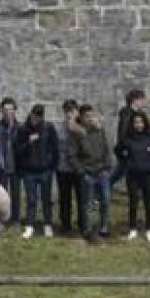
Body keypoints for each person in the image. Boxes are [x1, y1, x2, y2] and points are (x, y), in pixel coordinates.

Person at [68, 103, 114, 242]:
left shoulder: (100, 130)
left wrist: (107, 167)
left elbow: (107, 149)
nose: (90, 118)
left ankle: (104, 227)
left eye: (92, 116)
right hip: (87, 173)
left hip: (102, 172)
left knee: (105, 200)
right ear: (81, 118)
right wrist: (81, 172)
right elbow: (72, 155)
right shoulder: (76, 134)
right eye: (87, 116)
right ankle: (87, 230)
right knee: (87, 204)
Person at [120, 110, 150, 241]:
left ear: (145, 123)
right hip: (132, 175)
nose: (138, 125)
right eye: (136, 122)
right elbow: (118, 150)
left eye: (140, 122)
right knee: (133, 202)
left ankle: (149, 229)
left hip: (148, 175)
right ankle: (133, 228)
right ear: (132, 124)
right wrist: (126, 163)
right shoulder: (127, 138)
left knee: (148, 203)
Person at [13, 103, 59, 239]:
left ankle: (47, 224)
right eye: (34, 116)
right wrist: (28, 142)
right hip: (29, 171)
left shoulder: (49, 128)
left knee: (46, 199)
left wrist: (52, 166)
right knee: (31, 199)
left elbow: (55, 148)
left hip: (45, 170)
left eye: (39, 117)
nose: (36, 120)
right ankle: (29, 225)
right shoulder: (23, 129)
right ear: (31, 114)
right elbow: (17, 150)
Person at [111, 88, 150, 189]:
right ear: (135, 100)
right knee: (120, 173)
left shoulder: (135, 113)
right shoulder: (127, 114)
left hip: (132, 149)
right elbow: (123, 134)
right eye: (142, 99)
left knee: (122, 173)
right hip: (128, 150)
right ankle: (97, 191)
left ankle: (97, 191)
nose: (145, 101)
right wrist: (126, 148)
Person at [54, 98, 81, 237]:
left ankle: (83, 225)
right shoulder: (60, 128)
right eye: (67, 111)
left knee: (81, 198)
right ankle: (65, 225)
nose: (69, 114)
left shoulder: (82, 126)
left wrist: (74, 126)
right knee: (65, 199)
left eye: (72, 111)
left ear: (77, 111)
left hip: (78, 169)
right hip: (63, 168)